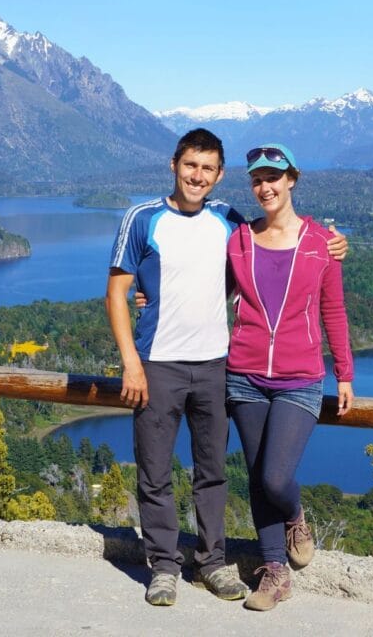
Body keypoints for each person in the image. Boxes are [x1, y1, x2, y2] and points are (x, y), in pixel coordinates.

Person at [105, 129, 346, 607]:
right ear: (174, 164)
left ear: (218, 175)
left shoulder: (229, 222)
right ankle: (165, 566)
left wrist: (335, 244)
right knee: (154, 471)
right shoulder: (141, 218)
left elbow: (274, 257)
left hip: (218, 364)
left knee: (212, 471)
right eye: (190, 165)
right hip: (158, 365)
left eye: (208, 169)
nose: (197, 176)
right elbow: (117, 292)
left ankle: (212, 563)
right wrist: (131, 362)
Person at [225, 143, 355, 611]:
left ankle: (296, 515)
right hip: (244, 374)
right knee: (257, 478)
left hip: (300, 376)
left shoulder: (322, 243)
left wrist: (344, 374)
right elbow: (203, 287)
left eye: (274, 177)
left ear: (292, 179)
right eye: (257, 180)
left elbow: (333, 311)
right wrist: (149, 297)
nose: (265, 187)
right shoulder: (238, 239)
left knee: (277, 479)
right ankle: (274, 571)